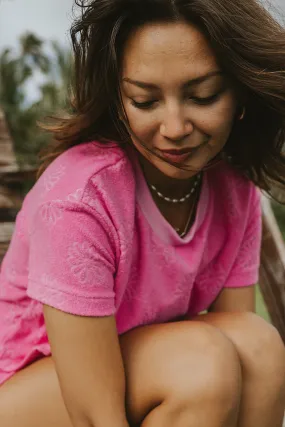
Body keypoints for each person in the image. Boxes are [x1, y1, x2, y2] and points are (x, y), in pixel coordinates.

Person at [1, 0, 285, 426]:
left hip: (147, 375)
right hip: (25, 389)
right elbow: (97, 417)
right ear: (120, 102)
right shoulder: (80, 198)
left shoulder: (233, 188)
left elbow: (238, 348)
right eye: (145, 101)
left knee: (258, 346)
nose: (173, 128)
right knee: (199, 368)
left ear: (240, 94)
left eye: (202, 96)